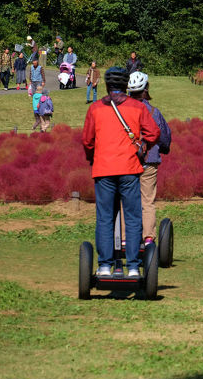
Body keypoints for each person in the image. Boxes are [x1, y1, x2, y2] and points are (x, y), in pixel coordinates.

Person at [82, 67, 160, 277]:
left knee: (105, 217)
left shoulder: (95, 108)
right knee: (133, 218)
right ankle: (133, 267)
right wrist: (143, 146)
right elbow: (154, 133)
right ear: (126, 85)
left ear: (107, 85)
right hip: (129, 169)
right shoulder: (137, 107)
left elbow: (87, 141)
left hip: (103, 170)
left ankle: (105, 265)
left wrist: (92, 157)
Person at [127, 72, 172, 244]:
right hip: (149, 160)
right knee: (148, 201)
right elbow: (164, 136)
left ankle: (125, 238)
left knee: (127, 200)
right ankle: (148, 239)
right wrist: (164, 149)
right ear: (146, 89)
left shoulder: (122, 111)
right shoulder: (154, 112)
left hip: (127, 161)